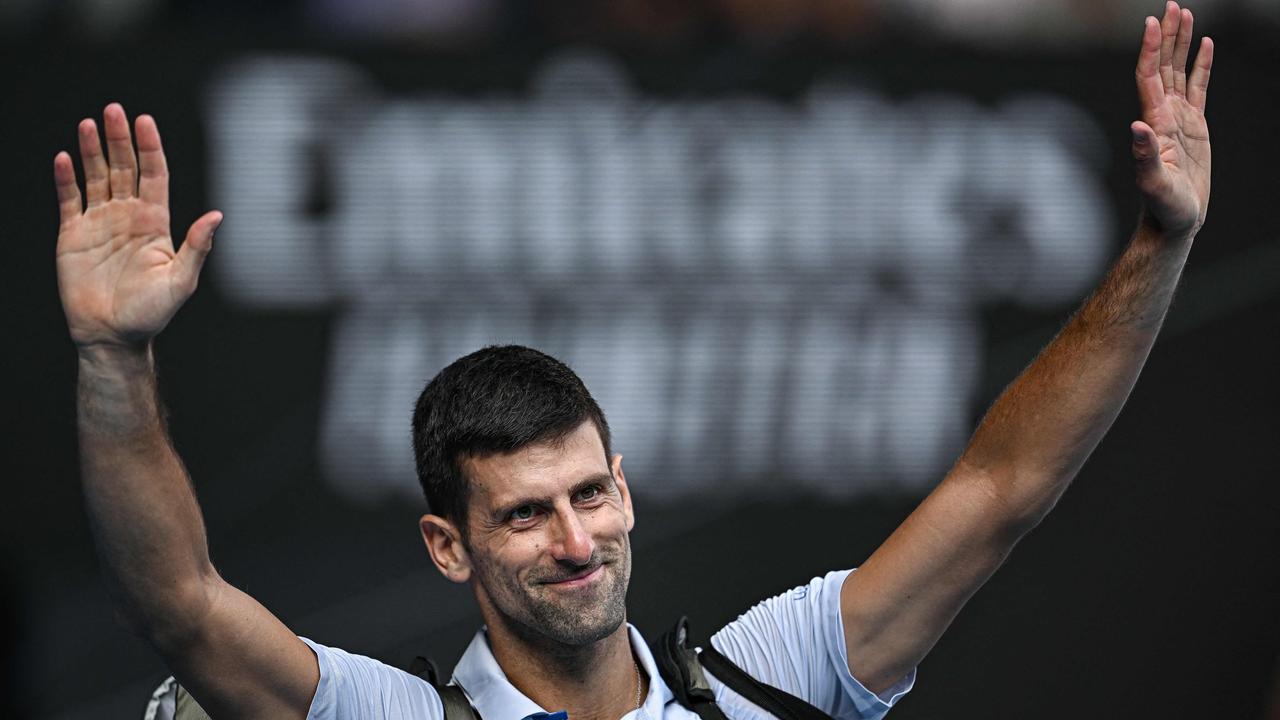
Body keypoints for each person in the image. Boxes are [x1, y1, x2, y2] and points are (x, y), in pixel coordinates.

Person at [52, 3, 1213, 718]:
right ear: (445, 547)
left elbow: (1001, 488)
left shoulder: (768, 677)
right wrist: (114, 356)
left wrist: (1158, 244)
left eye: (588, 493)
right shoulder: (392, 717)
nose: (574, 543)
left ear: (625, 486)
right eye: (521, 516)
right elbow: (180, 606)